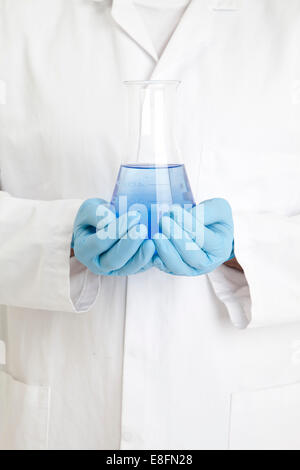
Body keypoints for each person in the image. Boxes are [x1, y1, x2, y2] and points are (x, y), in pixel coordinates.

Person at [0, 0, 300, 451]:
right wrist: (56, 239)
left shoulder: (287, 22)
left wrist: (243, 249)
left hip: (242, 423)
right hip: (65, 421)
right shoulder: (16, 18)